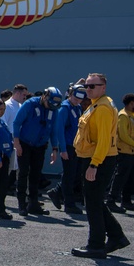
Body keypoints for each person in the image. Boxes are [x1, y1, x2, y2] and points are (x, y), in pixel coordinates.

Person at [71, 73, 130, 259]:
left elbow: (104, 140)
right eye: (86, 86)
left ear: (103, 87)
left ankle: (96, 245)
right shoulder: (97, 104)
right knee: (94, 201)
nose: (88, 89)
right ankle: (116, 236)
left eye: (92, 86)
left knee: (93, 204)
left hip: (97, 160)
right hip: (92, 158)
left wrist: (94, 165)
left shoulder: (103, 108)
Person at [12, 87, 64, 216]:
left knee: (36, 175)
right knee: (24, 173)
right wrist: (17, 143)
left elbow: (53, 131)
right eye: (49, 104)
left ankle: (33, 204)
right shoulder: (30, 104)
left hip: (40, 146)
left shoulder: (53, 109)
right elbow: (17, 123)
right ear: (45, 97)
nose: (51, 107)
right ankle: (21, 204)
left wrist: (55, 149)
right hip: (25, 144)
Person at [48, 85, 86, 215]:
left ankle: (57, 192)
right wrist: (62, 149)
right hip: (68, 146)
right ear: (70, 94)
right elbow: (60, 130)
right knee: (69, 175)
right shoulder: (64, 109)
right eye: (76, 97)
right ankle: (69, 204)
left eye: (80, 98)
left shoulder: (78, 107)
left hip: (77, 146)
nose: (78, 100)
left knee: (74, 174)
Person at [2, 84, 28, 194]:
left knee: (22, 171)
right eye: (24, 95)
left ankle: (24, 197)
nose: (25, 97)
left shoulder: (21, 106)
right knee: (6, 170)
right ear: (17, 93)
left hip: (20, 142)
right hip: (10, 142)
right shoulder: (7, 106)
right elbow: (3, 124)